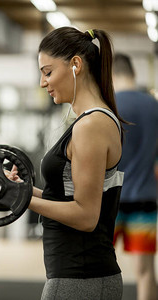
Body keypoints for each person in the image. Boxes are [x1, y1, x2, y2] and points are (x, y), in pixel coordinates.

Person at [23, 27, 126, 300]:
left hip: (81, 278)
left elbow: (86, 216)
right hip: (78, 276)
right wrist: (20, 189)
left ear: (76, 65)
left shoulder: (92, 124)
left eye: (48, 72)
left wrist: (24, 200)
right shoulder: (89, 121)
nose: (43, 82)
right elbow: (67, 199)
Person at [112, 53, 158, 300]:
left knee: (97, 269)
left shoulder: (108, 106)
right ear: (133, 73)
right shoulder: (154, 105)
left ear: (110, 75)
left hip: (110, 199)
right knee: (146, 272)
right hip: (145, 197)